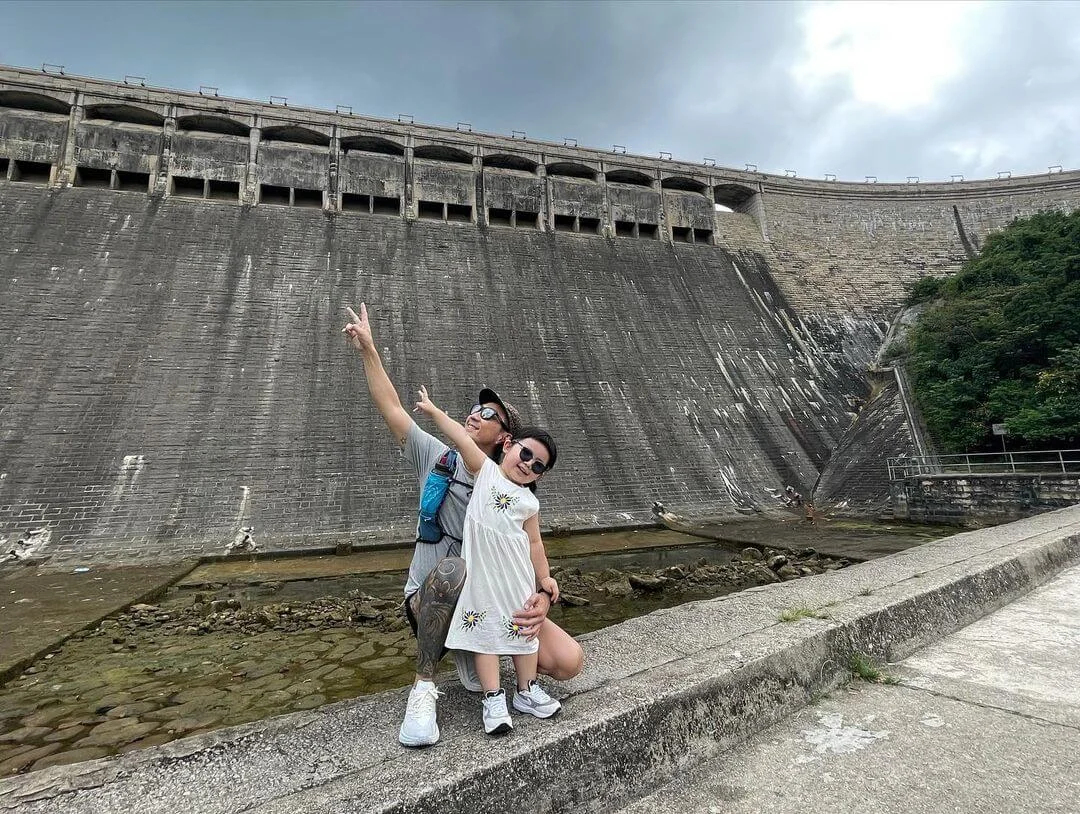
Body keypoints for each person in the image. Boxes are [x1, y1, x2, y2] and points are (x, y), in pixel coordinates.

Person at [342, 303, 584, 747]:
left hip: (493, 597)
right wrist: (369, 351)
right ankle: (423, 687)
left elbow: (531, 548)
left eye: (489, 414)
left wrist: (543, 595)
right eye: (475, 408)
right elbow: (392, 408)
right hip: (436, 594)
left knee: (569, 661)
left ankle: (501, 672)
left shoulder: (514, 489)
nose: (476, 414)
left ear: (505, 438)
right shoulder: (437, 458)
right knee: (455, 570)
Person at [414, 386, 562, 735]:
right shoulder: (486, 472)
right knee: (485, 637)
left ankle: (526, 691)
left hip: (517, 579)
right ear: (508, 445)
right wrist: (433, 411)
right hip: (481, 579)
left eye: (537, 465)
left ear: (540, 475)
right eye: (526, 453)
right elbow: (460, 437)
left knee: (524, 634)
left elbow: (535, 543)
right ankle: (493, 698)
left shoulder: (530, 503)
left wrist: (544, 579)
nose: (528, 464)